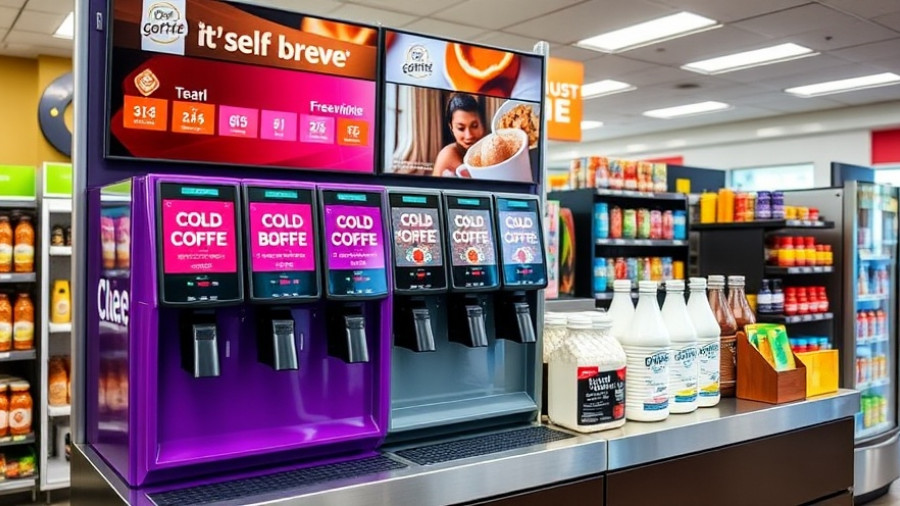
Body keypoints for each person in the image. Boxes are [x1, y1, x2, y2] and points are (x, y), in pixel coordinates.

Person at [433, 93, 485, 177]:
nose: (469, 136)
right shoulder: (447, 155)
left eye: (474, 126)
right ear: (451, 127)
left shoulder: (489, 149)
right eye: (461, 128)